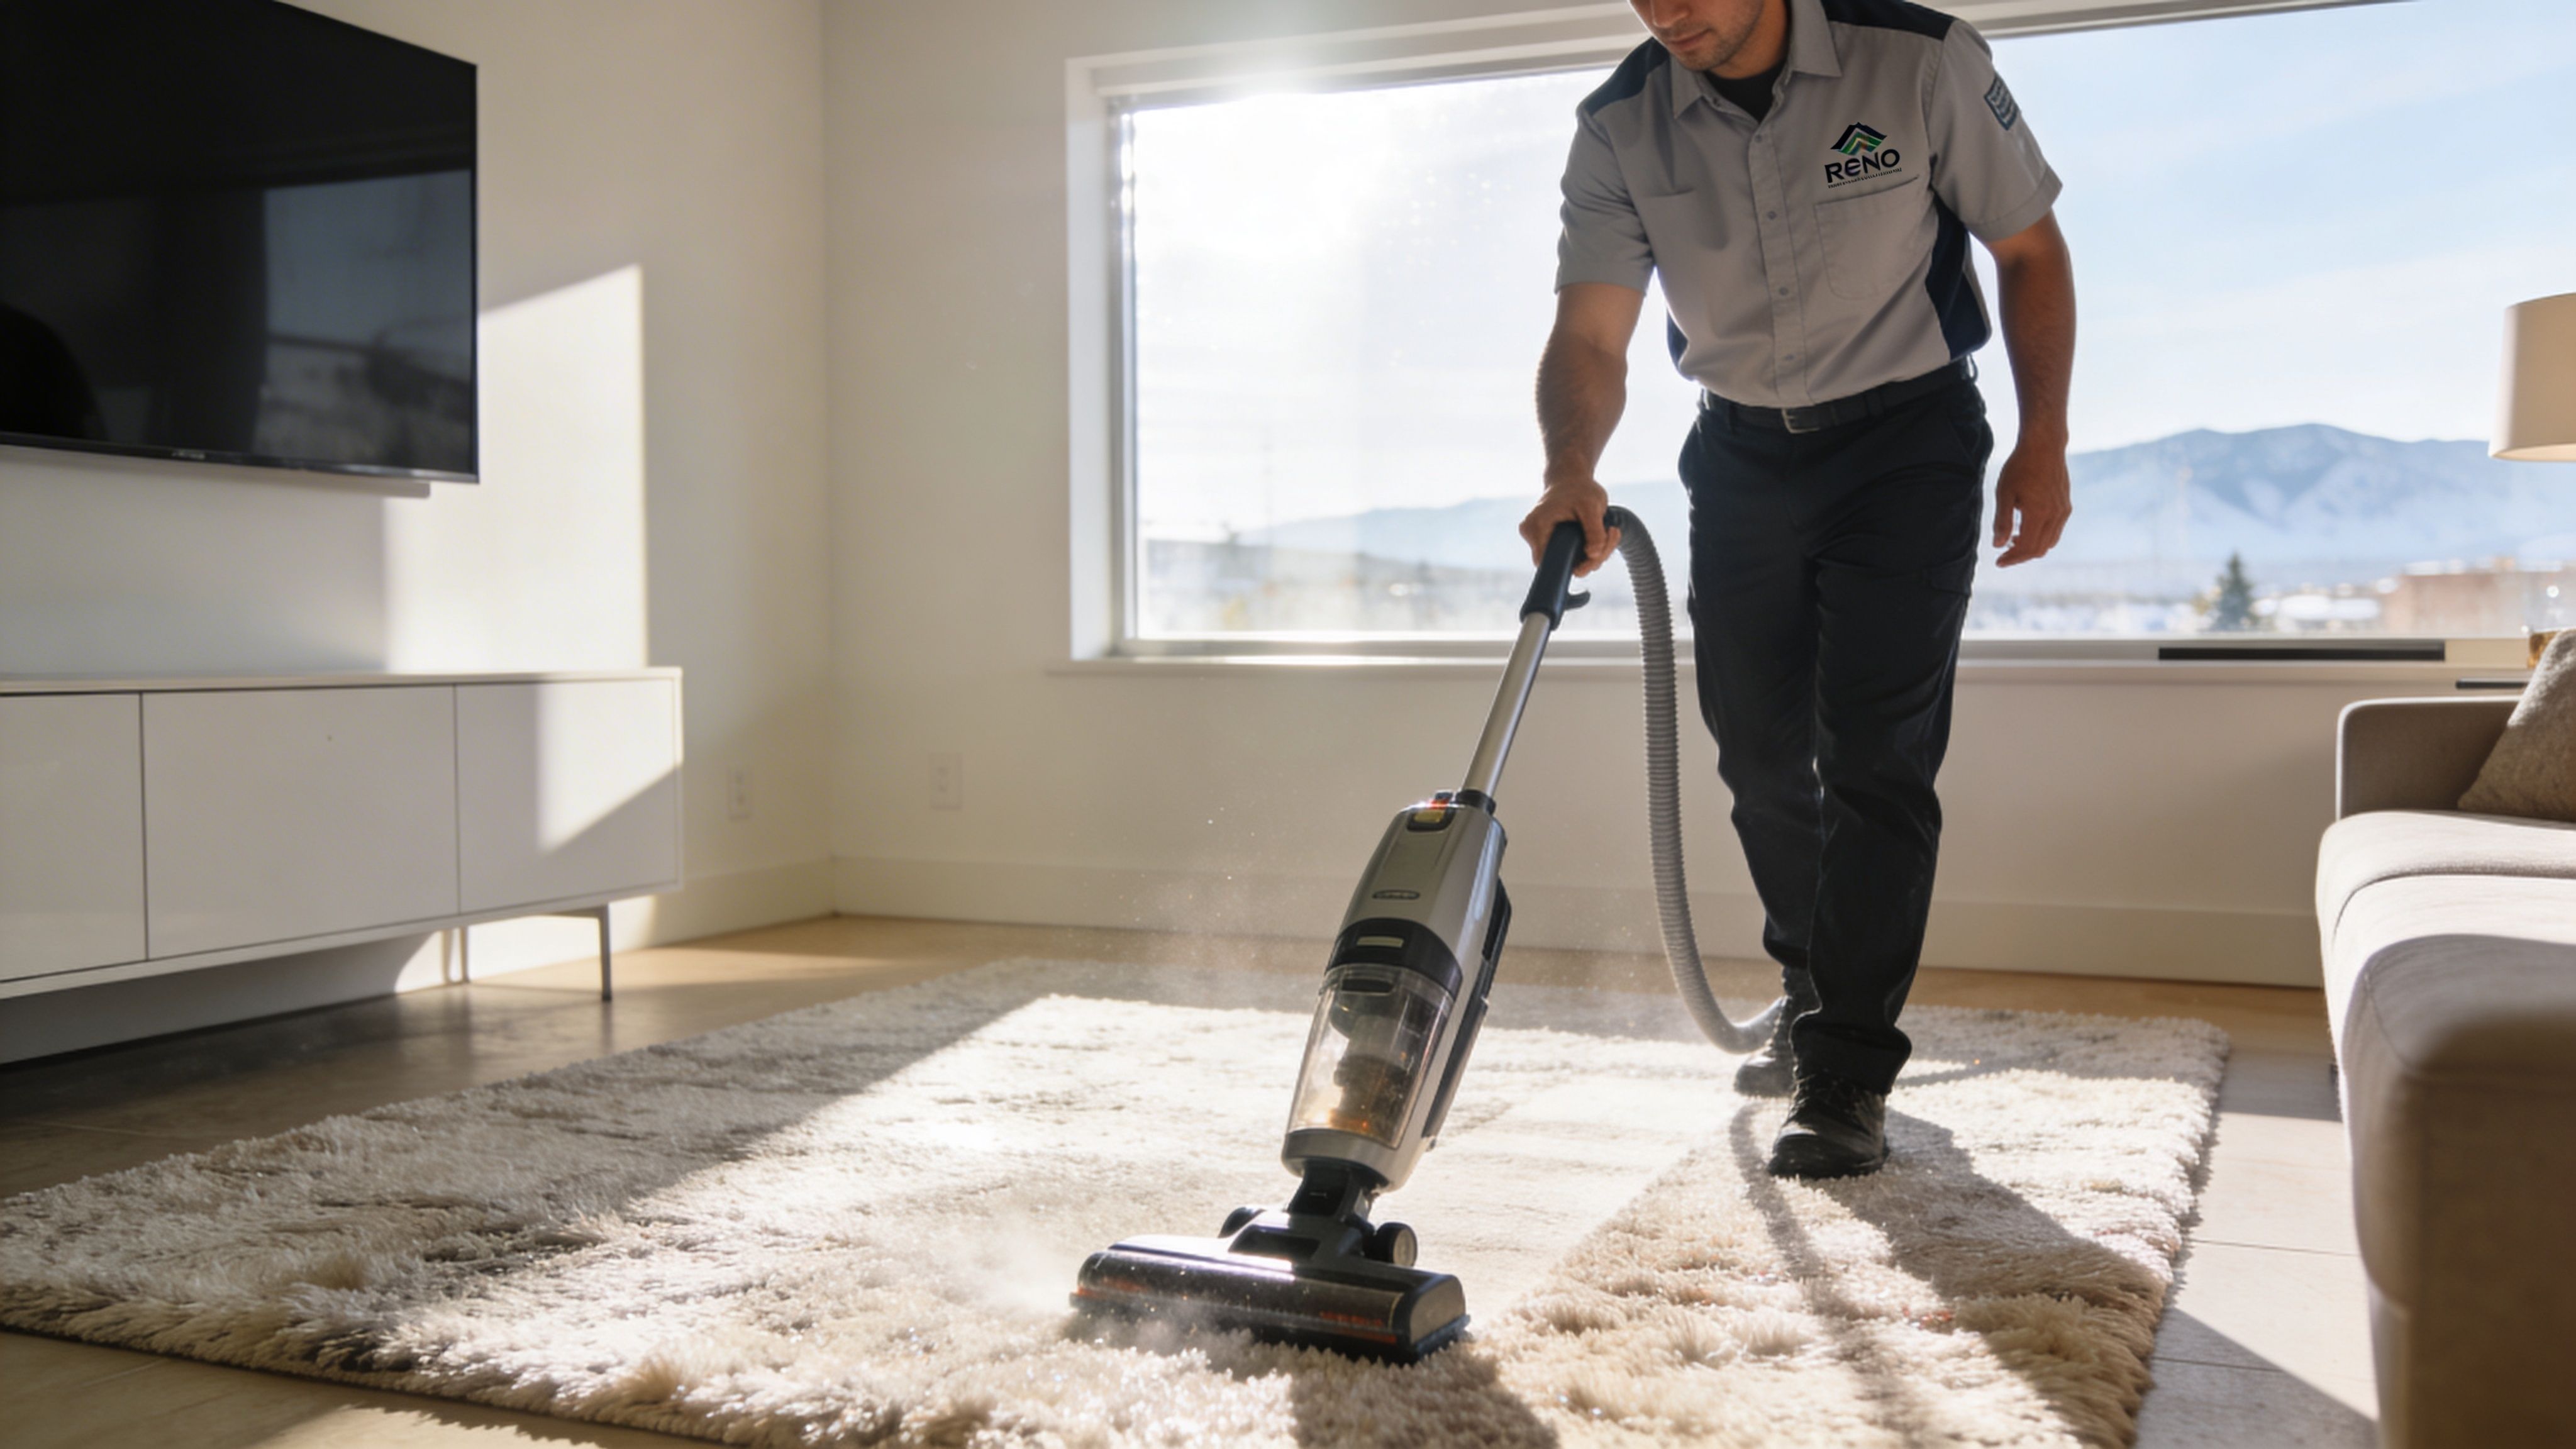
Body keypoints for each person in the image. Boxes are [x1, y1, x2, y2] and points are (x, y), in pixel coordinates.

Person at [1519, 0, 2075, 1179]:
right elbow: (1593, 336)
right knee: (1759, 749)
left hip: (1908, 441)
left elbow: (2028, 248)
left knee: (1874, 751)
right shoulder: (1620, 124)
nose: (1668, 9)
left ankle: (1846, 1069)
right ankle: (1811, 984)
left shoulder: (1918, 60)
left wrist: (2045, 440)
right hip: (1742, 453)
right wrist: (1571, 468)